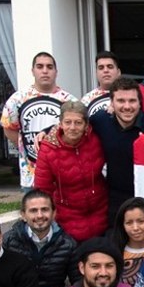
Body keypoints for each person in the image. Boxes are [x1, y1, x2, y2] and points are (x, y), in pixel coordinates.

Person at [89, 77, 144, 225]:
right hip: (112, 199)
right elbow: (74, 126)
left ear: (140, 103)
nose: (127, 106)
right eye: (121, 101)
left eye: (132, 101)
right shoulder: (100, 121)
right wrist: (48, 131)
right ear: (111, 103)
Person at [33, 100, 109, 242]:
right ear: (60, 124)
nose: (72, 127)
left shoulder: (95, 138)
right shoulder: (48, 149)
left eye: (78, 123)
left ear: (86, 125)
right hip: (67, 219)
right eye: (67, 122)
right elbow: (42, 190)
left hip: (101, 213)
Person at [0, 51, 76, 189]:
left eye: (49, 67)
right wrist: (25, 146)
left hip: (63, 176)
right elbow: (9, 129)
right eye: (40, 67)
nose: (45, 71)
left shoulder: (70, 101)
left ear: (56, 72)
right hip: (31, 178)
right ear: (33, 71)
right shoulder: (17, 99)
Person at [2, 190, 80, 287]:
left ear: (54, 213)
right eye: (33, 210)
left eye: (45, 209)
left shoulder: (68, 244)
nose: (39, 215)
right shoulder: (9, 241)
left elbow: (78, 281)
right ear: (23, 215)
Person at [110, 196, 144, 287]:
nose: (135, 228)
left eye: (140, 221)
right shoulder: (113, 253)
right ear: (123, 226)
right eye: (129, 223)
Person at [80, 51, 123, 117]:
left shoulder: (129, 95)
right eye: (101, 68)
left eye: (110, 67)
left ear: (118, 72)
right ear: (96, 73)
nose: (105, 70)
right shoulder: (86, 100)